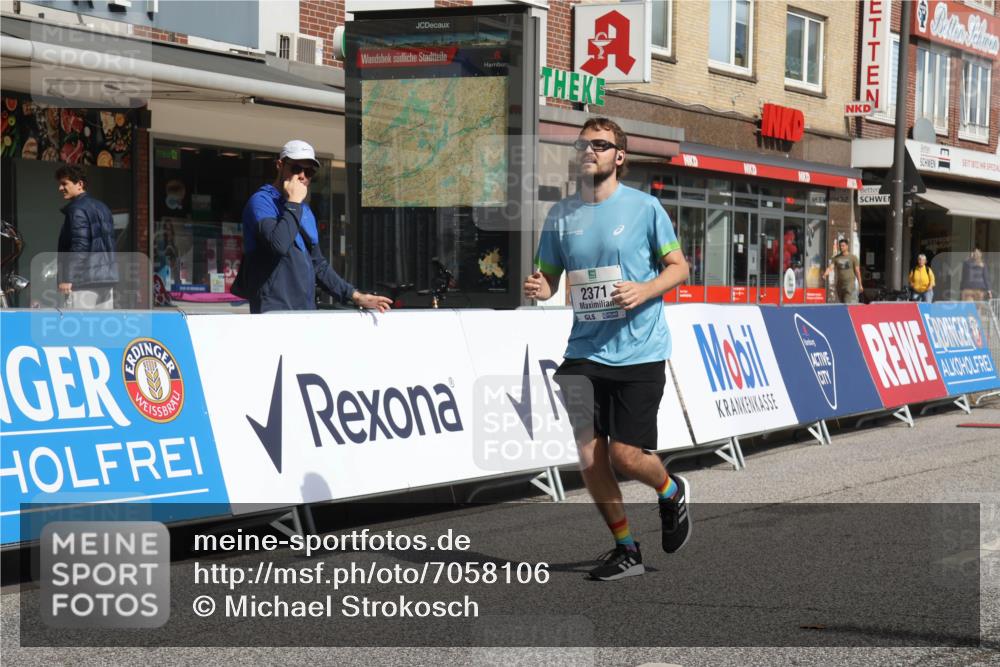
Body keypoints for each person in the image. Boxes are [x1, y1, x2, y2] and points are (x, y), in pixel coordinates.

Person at [523, 117, 691, 581]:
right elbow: (552, 279)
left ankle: (671, 489)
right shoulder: (560, 215)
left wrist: (645, 289)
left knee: (625, 456)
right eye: (584, 144)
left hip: (639, 349)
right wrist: (541, 285)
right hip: (584, 350)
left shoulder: (645, 208)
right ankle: (625, 548)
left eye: (601, 144)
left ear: (619, 156)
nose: (589, 150)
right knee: (589, 455)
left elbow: (679, 267)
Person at [241, 140, 390, 314]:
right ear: (280, 165)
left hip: (305, 311)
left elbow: (318, 265)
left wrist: (354, 295)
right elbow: (278, 244)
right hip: (273, 311)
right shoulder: (262, 202)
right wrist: (294, 202)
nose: (303, 176)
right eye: (296, 169)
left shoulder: (303, 210)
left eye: (309, 171)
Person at [55, 165, 118, 309]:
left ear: (80, 184)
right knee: (102, 328)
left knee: (79, 328)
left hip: (83, 282)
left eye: (64, 183)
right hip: (106, 280)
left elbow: (80, 246)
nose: (60, 188)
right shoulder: (102, 207)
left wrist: (68, 278)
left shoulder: (77, 209)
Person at [822, 238, 862, 304]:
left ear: (847, 246)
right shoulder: (836, 258)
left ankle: (847, 313)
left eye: (843, 246)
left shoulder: (853, 258)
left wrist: (860, 285)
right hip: (840, 284)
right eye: (840, 246)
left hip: (849, 284)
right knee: (842, 302)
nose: (841, 247)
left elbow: (857, 271)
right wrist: (825, 274)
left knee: (847, 302)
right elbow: (830, 267)